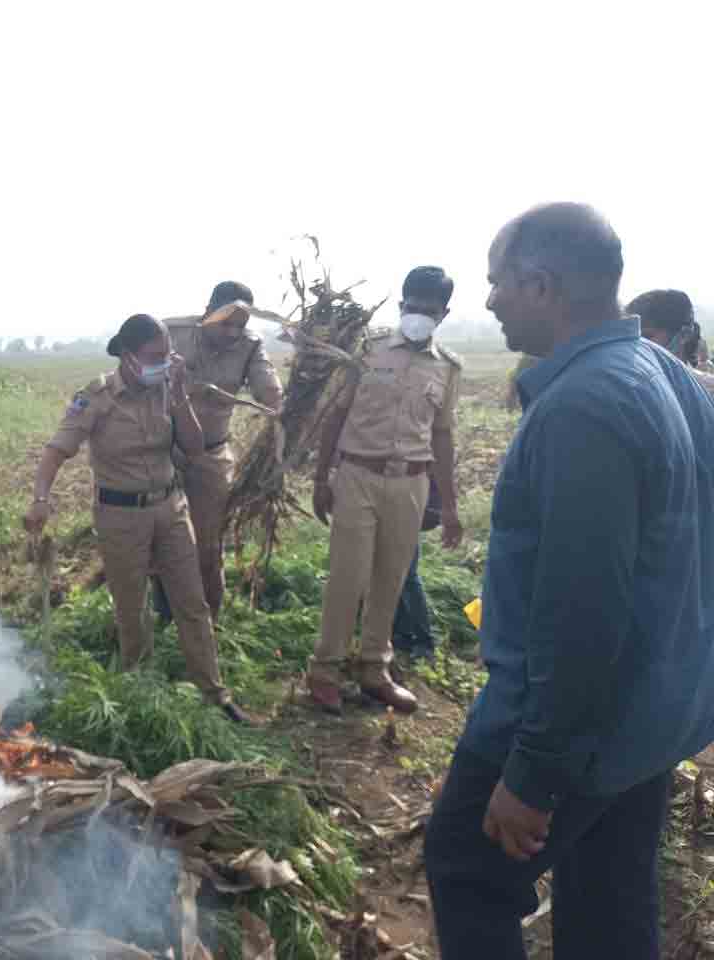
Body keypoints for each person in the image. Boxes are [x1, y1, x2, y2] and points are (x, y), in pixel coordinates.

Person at [424, 203, 714, 960]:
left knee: (466, 871)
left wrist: (533, 774)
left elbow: (579, 617)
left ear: (542, 286)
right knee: (609, 895)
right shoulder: (671, 376)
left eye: (497, 284)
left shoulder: (582, 407)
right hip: (651, 718)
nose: (487, 302)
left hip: (575, 727)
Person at [24, 314, 249, 724]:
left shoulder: (169, 389)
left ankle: (214, 692)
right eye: (154, 356)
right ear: (128, 357)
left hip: (170, 509)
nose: (164, 362)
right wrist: (41, 499)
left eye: (167, 354)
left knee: (192, 604)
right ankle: (141, 693)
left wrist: (180, 394)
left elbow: (196, 448)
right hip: (120, 515)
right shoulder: (97, 396)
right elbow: (57, 450)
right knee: (132, 610)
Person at [306, 266, 463, 715]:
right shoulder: (366, 351)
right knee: (347, 579)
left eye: (428, 311)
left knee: (390, 579)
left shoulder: (447, 368)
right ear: (400, 306)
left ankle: (375, 668)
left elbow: (443, 435)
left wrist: (449, 504)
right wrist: (322, 478)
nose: (417, 316)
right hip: (358, 476)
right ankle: (325, 670)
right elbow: (334, 415)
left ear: (443, 314)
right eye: (411, 308)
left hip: (412, 482)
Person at [153, 281, 283, 625]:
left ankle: (208, 620)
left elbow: (268, 390)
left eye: (239, 325)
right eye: (225, 322)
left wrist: (286, 405)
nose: (231, 332)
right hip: (161, 454)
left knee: (207, 546)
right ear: (209, 309)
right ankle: (163, 614)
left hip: (210, 458)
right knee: (159, 538)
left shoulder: (251, 346)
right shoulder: (170, 332)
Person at [625, 289, 714, 396]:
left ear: (684, 335)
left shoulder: (707, 391)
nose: (638, 345)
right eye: (633, 338)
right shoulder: (631, 389)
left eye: (646, 337)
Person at [391, 474, 440, 659]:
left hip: (407, 502)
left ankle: (423, 641)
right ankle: (402, 635)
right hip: (393, 500)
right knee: (393, 573)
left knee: (408, 576)